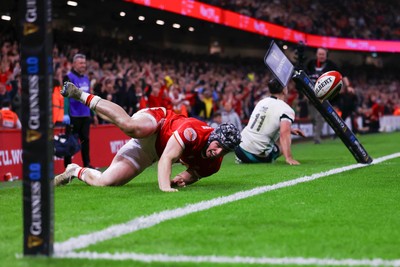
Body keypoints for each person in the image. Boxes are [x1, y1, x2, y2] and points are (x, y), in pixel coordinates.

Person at [54, 81, 241, 192]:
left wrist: (181, 179)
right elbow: (167, 158)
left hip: (151, 152)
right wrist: (165, 187)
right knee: (131, 126)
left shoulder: (214, 164)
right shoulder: (193, 131)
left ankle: (74, 171)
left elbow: (191, 174)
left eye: (224, 151)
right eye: (218, 145)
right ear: (213, 136)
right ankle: (81, 95)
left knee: (105, 182)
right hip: (159, 123)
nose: (218, 152)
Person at [235, 79, 305, 165]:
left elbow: (263, 122)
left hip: (239, 148)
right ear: (284, 90)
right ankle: (266, 156)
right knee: (282, 143)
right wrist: (289, 158)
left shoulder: (262, 102)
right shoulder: (287, 109)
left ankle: (242, 158)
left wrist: (290, 129)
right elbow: (284, 134)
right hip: (254, 155)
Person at [305, 47, 353, 144]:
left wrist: (348, 86)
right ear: (316, 54)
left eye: (323, 54)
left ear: (326, 55)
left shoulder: (331, 65)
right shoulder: (310, 64)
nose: (321, 56)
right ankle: (316, 134)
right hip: (310, 95)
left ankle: (316, 138)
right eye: (320, 54)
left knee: (320, 116)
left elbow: (342, 75)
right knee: (313, 118)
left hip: (323, 96)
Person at [63, 53, 98, 168]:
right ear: (74, 64)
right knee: (70, 142)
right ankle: (68, 166)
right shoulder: (68, 77)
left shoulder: (86, 79)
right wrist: (65, 114)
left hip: (85, 114)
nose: (83, 65)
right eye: (81, 63)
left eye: (84, 63)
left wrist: (93, 113)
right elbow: (65, 97)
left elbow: (89, 96)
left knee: (85, 141)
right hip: (73, 115)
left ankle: (87, 164)